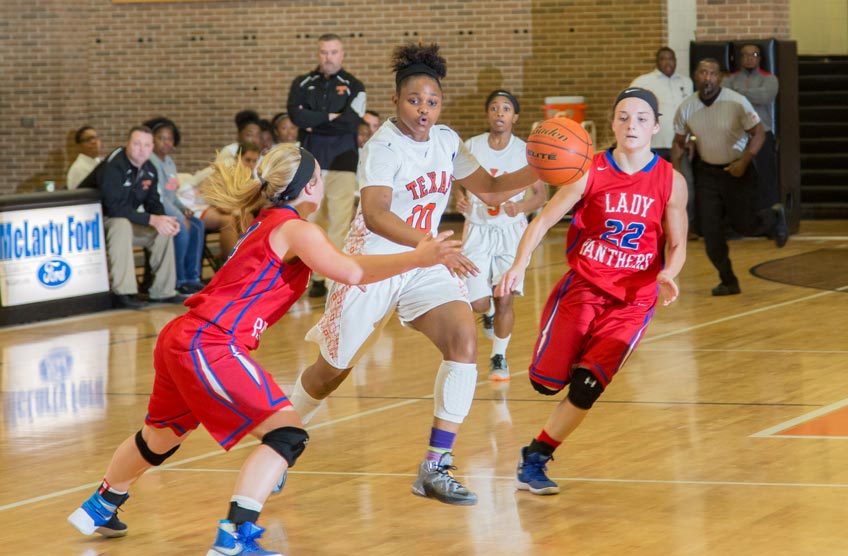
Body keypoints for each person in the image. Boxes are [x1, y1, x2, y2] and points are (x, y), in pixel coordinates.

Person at [67, 142, 464, 556]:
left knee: (160, 436)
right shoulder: (296, 229)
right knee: (287, 436)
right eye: (318, 176)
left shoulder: (267, 221)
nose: (322, 182)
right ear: (308, 184)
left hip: (183, 337)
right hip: (210, 342)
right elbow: (351, 273)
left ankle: (101, 504)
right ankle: (233, 540)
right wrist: (419, 258)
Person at [291, 42, 538, 506]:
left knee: (464, 341)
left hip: (426, 261)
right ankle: (278, 438)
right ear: (396, 102)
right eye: (414, 101)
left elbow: (489, 188)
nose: (424, 110)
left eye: (432, 102)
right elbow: (377, 212)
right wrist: (427, 247)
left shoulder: (446, 140)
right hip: (373, 265)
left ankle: (435, 466)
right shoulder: (383, 147)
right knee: (330, 374)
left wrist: (538, 167)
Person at [497, 88, 688, 495]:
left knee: (588, 386)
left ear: (655, 125)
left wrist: (669, 272)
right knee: (546, 383)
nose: (631, 125)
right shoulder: (589, 170)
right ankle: (556, 369)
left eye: (640, 118)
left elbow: (677, 243)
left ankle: (536, 456)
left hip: (634, 300)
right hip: (584, 287)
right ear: (613, 123)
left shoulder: (671, 181)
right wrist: (519, 264)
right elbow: (543, 222)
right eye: (623, 117)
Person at [672, 58, 788, 296]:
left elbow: (758, 134)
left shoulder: (737, 101)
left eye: (713, 73)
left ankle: (774, 217)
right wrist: (676, 169)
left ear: (720, 78)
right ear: (696, 76)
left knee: (744, 225)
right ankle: (728, 281)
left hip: (738, 171)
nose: (708, 77)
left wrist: (744, 161)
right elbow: (679, 142)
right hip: (707, 173)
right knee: (710, 233)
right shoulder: (686, 107)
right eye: (703, 72)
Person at [452, 90, 547, 380]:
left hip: (510, 232)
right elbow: (456, 179)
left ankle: (499, 357)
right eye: (494, 108)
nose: (499, 113)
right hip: (477, 229)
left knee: (505, 296)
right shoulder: (471, 146)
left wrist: (520, 206)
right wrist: (459, 197)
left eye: (506, 109)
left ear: (515, 117)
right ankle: (487, 313)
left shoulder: (525, 151)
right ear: (487, 114)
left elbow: (541, 196)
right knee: (479, 302)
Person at [288, 33, 367, 298]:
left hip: (343, 161)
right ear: (318, 53)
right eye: (324, 52)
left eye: (333, 52)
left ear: (342, 54)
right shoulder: (302, 83)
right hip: (312, 161)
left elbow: (351, 122)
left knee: (339, 220)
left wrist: (316, 121)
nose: (328, 57)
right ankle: (317, 277)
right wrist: (331, 116)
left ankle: (335, 277)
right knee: (313, 221)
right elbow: (296, 115)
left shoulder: (355, 85)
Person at [79, 126, 183, 309]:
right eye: (136, 144)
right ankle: (123, 292)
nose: (141, 149)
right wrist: (152, 220)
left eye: (146, 145)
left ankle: (162, 292)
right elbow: (113, 207)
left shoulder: (149, 169)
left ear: (152, 147)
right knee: (121, 224)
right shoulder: (114, 165)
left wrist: (164, 220)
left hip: (124, 219)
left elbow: (153, 202)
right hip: (92, 223)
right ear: (127, 144)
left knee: (162, 230)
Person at [146, 117, 205, 294]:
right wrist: (179, 216)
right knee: (180, 227)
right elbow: (160, 197)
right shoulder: (150, 161)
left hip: (170, 206)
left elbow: (171, 194)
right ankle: (178, 279)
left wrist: (182, 208)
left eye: (169, 139)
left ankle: (192, 277)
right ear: (153, 140)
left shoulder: (169, 162)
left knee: (197, 224)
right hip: (156, 210)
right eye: (161, 138)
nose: (166, 142)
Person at [723, 43, 780, 212]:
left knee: (765, 179)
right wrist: (748, 94)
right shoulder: (730, 79)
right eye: (745, 55)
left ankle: (769, 222)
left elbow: (765, 96)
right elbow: (726, 99)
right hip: (738, 136)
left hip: (763, 134)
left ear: (759, 58)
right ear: (740, 59)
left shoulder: (769, 78)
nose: (749, 58)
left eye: (753, 55)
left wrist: (738, 93)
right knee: (737, 178)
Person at [629, 48, 692, 160]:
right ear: (657, 61)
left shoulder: (686, 82)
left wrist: (692, 139)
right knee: (655, 177)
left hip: (681, 144)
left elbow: (691, 112)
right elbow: (630, 110)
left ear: (676, 61)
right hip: (654, 145)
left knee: (682, 177)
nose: (668, 62)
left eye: (671, 59)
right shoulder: (642, 82)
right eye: (663, 59)